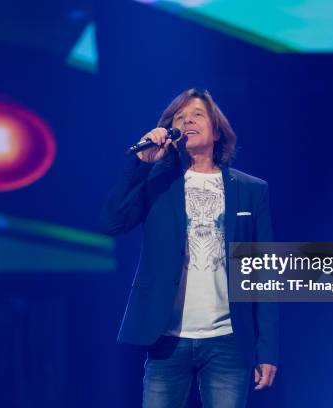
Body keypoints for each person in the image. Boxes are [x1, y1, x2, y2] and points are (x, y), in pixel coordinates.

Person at [100, 88, 279, 408]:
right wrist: (140, 166)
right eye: (179, 117)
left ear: (217, 129)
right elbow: (112, 224)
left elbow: (262, 273)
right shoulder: (158, 182)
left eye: (196, 114)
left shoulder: (252, 190)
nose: (187, 120)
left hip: (228, 340)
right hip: (166, 338)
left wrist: (267, 349)